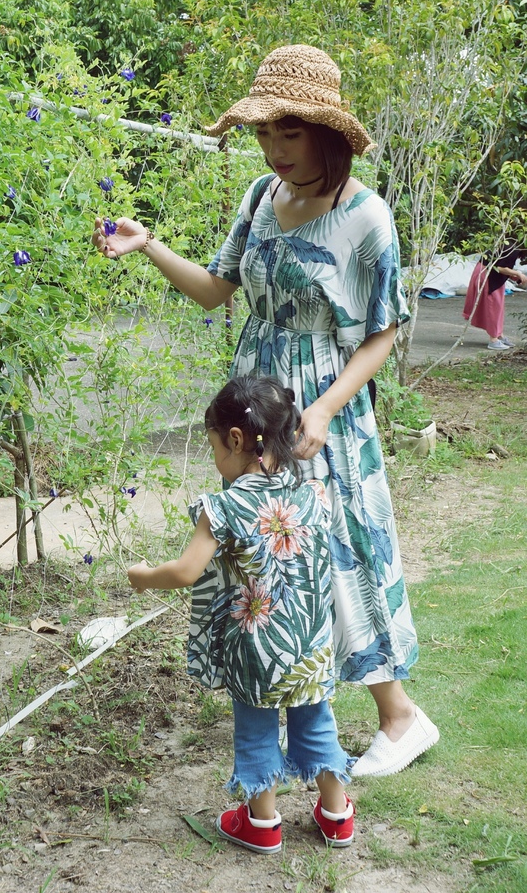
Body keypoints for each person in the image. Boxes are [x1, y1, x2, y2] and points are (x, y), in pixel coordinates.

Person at [93, 44, 439, 778]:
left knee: (339, 548)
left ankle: (399, 716)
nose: (274, 150)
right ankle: (289, 708)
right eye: (263, 134)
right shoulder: (260, 197)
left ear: (327, 134)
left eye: (289, 133)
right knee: (265, 554)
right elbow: (219, 289)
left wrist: (323, 411)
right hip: (255, 401)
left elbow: (384, 330)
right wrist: (149, 246)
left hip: (320, 407)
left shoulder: (366, 216)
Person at [128, 376, 355, 853]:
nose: (216, 461)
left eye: (215, 448)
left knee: (255, 730)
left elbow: (188, 571)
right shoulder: (314, 494)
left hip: (254, 647)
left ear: (236, 439)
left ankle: (262, 823)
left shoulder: (225, 505)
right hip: (310, 645)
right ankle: (337, 818)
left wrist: (145, 575)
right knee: (316, 723)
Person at [462, 245, 527, 350]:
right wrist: (517, 274)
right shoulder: (512, 247)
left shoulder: (511, 244)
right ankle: (493, 340)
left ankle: (498, 335)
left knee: (498, 305)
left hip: (488, 271)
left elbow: (500, 265)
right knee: (494, 305)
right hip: (487, 273)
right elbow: (499, 267)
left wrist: (517, 277)